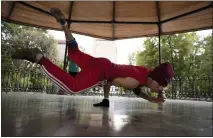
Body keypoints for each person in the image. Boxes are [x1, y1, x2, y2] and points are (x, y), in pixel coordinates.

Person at [11, 8, 174, 107]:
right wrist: (149, 98)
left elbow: (139, 85)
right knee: (72, 88)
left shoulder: (146, 71)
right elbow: (118, 82)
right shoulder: (137, 81)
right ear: (154, 80)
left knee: (74, 53)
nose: (158, 90)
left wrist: (153, 96)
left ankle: (64, 25)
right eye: (159, 87)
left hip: (102, 62)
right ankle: (39, 58)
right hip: (101, 70)